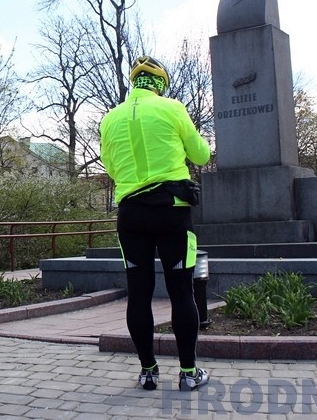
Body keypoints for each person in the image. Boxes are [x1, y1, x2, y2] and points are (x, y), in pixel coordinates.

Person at [99, 56, 212, 392]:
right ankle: (189, 373)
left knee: (138, 293)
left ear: (134, 82)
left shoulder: (110, 118)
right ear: (160, 83)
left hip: (131, 215)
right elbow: (202, 155)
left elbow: (110, 167)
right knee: (181, 291)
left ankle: (148, 371)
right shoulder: (172, 108)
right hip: (172, 212)